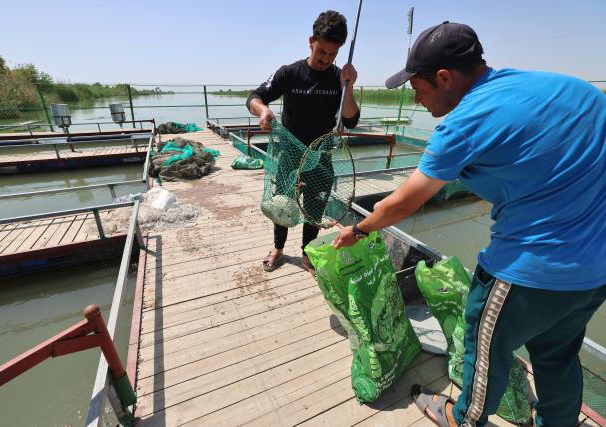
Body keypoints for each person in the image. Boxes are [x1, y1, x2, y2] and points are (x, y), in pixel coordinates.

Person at [333, 21, 606, 427]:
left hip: (526, 272)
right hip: (594, 272)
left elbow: (403, 202)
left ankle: (466, 419)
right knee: (557, 354)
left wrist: (359, 229)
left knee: (483, 349)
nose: (416, 97)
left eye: (417, 86)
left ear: (444, 78)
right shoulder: (571, 89)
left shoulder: (464, 124)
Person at [247, 10, 360, 273]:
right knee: (282, 204)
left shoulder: (338, 79)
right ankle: (278, 248)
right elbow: (255, 96)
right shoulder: (289, 73)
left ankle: (306, 254)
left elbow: (351, 120)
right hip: (289, 155)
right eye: (322, 51)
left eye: (333, 54)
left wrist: (350, 86)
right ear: (311, 41)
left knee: (313, 210)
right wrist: (263, 111)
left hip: (321, 158)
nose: (326, 59)